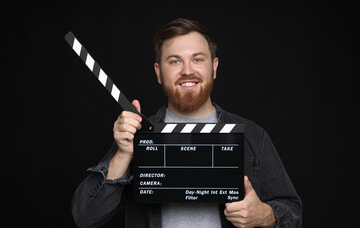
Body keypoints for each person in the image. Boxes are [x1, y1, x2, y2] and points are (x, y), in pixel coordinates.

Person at [72, 18, 302, 228]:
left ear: (214, 67)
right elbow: (85, 216)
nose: (187, 71)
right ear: (158, 72)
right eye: (174, 61)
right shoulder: (135, 136)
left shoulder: (253, 136)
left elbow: (294, 212)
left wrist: (265, 214)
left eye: (198, 59)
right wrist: (122, 156)